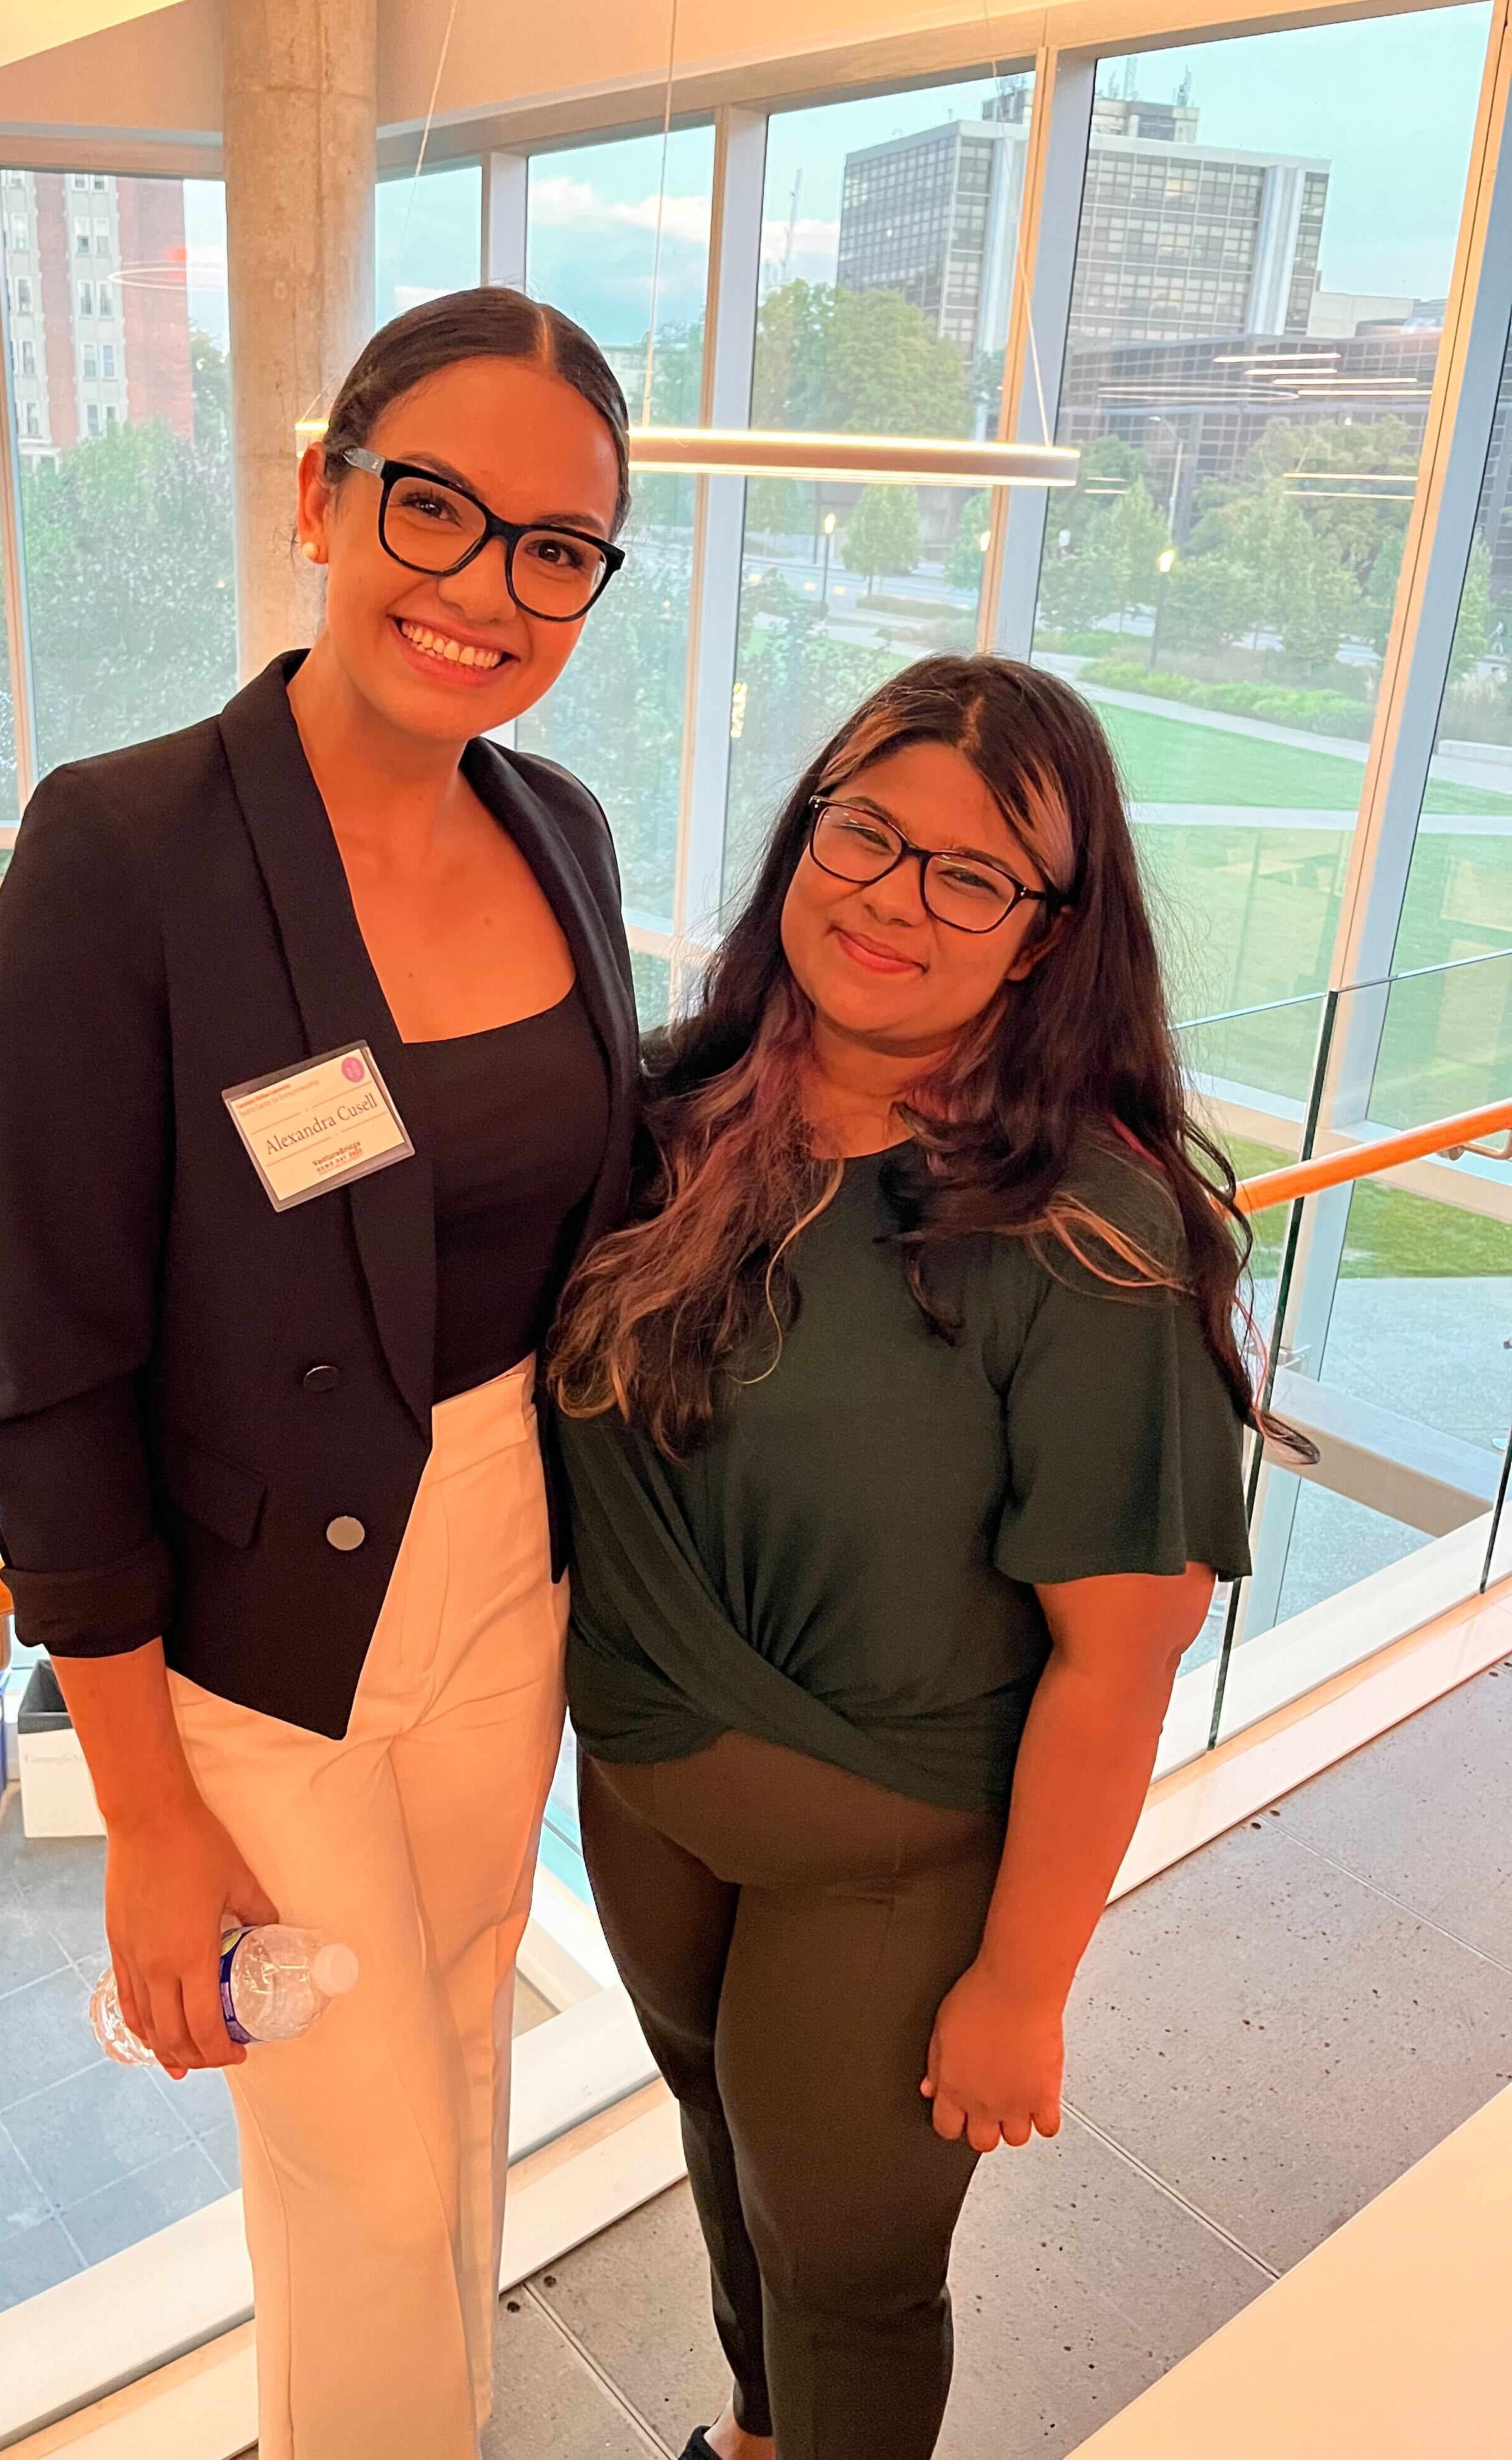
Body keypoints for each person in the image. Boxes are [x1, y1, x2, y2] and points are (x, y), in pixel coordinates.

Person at [0, 287, 640, 2458]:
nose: (485, 589)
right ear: (320, 497)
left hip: (510, 1555)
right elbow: (48, 1372)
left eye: (556, 548)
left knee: (457, 2062)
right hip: (257, 1628)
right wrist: (140, 1811)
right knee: (353, 2153)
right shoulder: (125, 851)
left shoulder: (565, 833)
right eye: (434, 506)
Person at [547, 655, 1273, 2460]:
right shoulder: (662, 1120)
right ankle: (754, 2436)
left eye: (973, 874)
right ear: (806, 832)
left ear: (1043, 935)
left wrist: (1023, 1989)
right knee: (728, 2165)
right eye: (865, 832)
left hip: (889, 1873)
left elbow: (1120, 1661)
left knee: (853, 2271)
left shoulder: (1090, 1242)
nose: (893, 897)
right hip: (643, 1801)